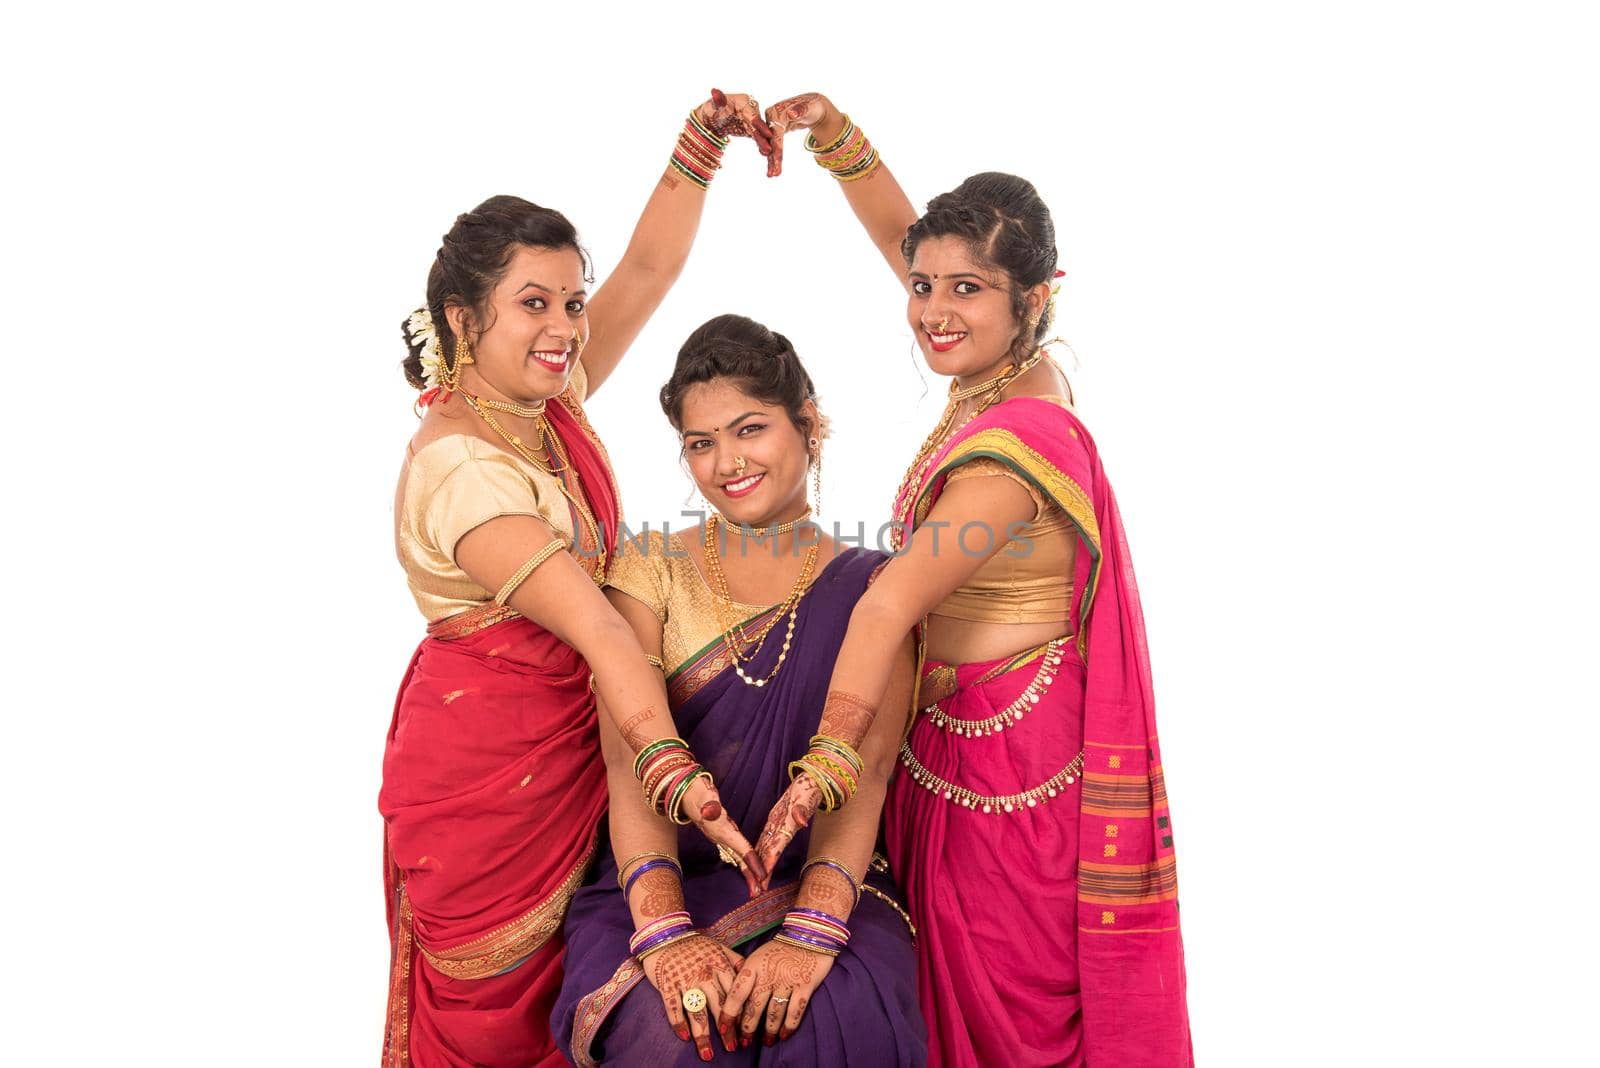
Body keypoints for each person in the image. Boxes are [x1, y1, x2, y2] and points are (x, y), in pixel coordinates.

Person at [752, 95, 1194, 1066]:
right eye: (922, 287)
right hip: (948, 757)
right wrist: (837, 141)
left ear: (1035, 298)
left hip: (1008, 791)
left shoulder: (1013, 455)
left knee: (1009, 1025)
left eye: (967, 291)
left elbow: (890, 601)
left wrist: (824, 766)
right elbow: (914, 246)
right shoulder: (1001, 374)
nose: (933, 314)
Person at [382, 94, 779, 1068]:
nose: (564, 327)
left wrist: (700, 146)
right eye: (534, 304)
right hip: (493, 775)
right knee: (498, 1025)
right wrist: (680, 776)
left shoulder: (543, 396)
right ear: (463, 321)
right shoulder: (463, 467)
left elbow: (648, 268)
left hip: (591, 739)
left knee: (586, 991)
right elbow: (603, 634)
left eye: (570, 300)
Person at [553, 315, 925, 1066]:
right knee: (675, 1033)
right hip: (663, 877)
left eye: (749, 429)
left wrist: (810, 935)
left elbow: (868, 774)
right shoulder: (649, 568)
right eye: (700, 443)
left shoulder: (876, 587)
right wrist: (666, 932)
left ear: (809, 424)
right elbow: (629, 769)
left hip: (827, 879)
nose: (727, 462)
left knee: (833, 1019)